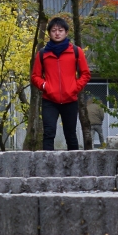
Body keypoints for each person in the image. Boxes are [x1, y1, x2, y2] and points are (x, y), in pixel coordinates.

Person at [31, 17, 89, 150]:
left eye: (60, 30)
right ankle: (47, 167)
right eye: (53, 30)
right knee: (48, 134)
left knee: (71, 135)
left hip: (70, 100)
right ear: (49, 33)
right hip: (49, 100)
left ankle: (75, 168)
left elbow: (85, 74)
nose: (57, 33)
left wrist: (75, 87)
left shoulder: (76, 51)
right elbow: (35, 76)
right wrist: (45, 86)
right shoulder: (42, 54)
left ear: (66, 32)